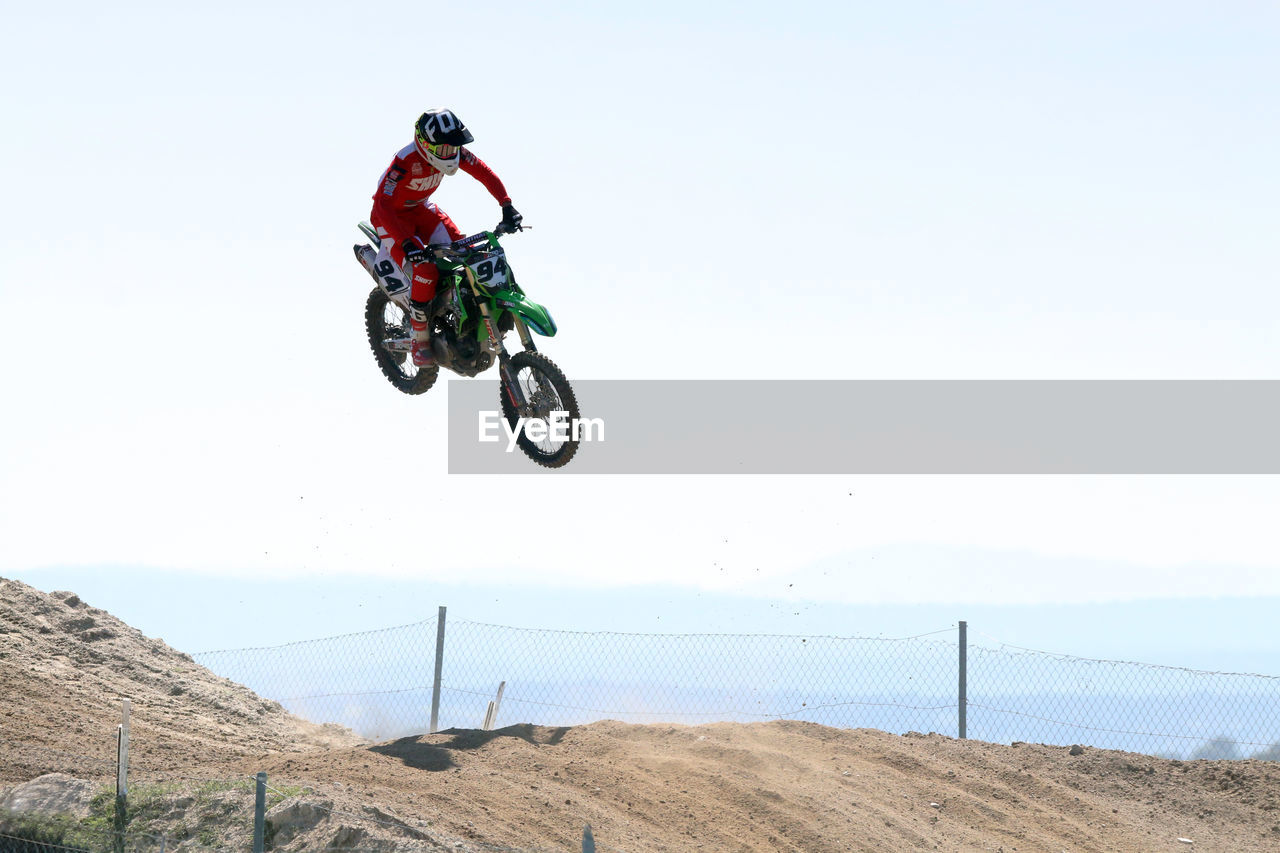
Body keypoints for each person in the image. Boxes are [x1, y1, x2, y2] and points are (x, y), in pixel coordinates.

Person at [370, 108, 522, 367]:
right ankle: (419, 335)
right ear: (424, 143)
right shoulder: (405, 162)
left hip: (420, 209)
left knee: (466, 253)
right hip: (392, 219)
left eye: (453, 148)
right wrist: (407, 244)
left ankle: (469, 312)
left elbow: (484, 173)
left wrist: (506, 205)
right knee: (426, 268)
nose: (450, 155)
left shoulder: (453, 151)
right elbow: (383, 205)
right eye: (443, 150)